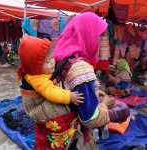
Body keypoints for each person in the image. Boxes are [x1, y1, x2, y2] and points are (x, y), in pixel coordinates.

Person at [19, 13, 129, 150]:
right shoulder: (81, 69)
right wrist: (105, 105)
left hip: (49, 132)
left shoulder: (59, 54)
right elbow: (90, 119)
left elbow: (66, 85)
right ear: (88, 35)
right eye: (99, 36)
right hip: (68, 138)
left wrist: (92, 92)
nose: (103, 42)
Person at [17, 35, 84, 107]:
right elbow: (51, 92)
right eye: (48, 61)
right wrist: (68, 97)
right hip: (37, 106)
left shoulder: (43, 70)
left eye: (52, 57)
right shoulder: (37, 79)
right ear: (36, 67)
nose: (52, 62)